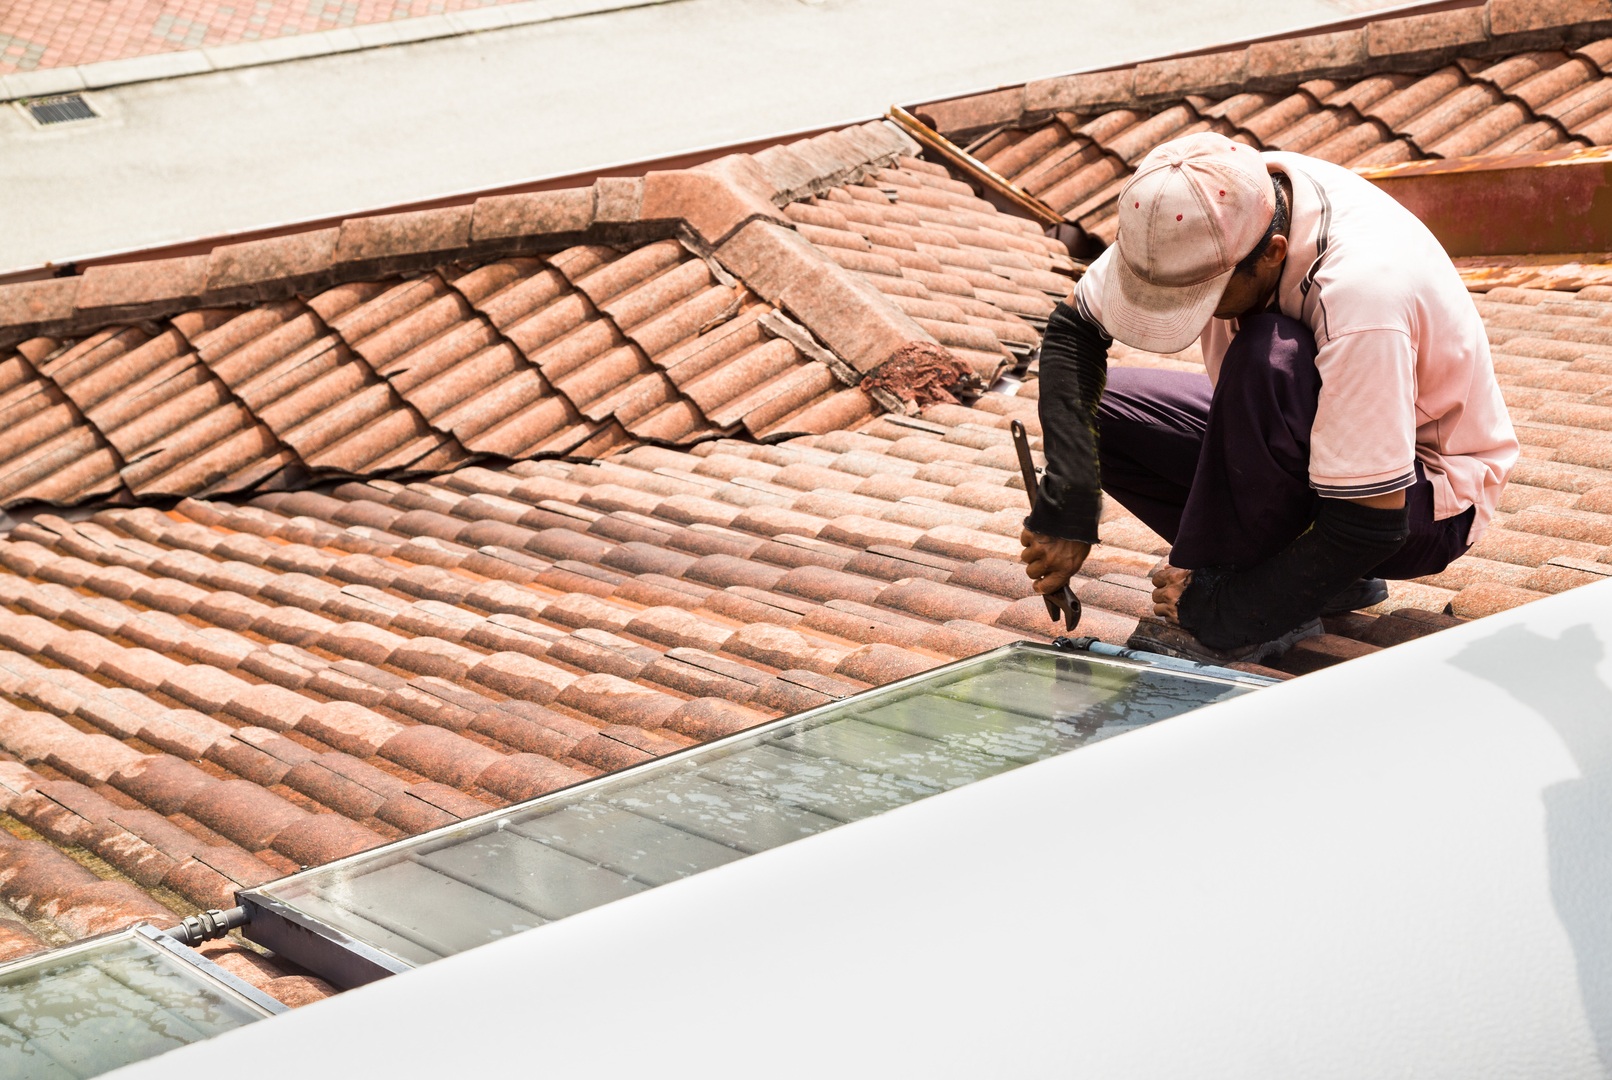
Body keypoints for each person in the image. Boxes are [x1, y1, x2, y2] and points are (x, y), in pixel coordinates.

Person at [1019, 131, 1518, 664]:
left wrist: (1223, 609)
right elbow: (1074, 332)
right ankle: (1309, 579)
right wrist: (1067, 505)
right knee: (1099, 411)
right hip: (1319, 457)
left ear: (1273, 254)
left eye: (1203, 297)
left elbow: (1372, 521)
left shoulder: (1361, 292)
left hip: (1420, 497)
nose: (1197, 314)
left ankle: (1261, 590)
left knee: (1268, 354)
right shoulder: (1197, 208)